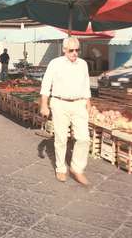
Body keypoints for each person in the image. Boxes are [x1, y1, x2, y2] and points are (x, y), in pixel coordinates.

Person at [40, 37, 91, 186]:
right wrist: (44, 104)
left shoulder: (83, 64)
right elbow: (46, 84)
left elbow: (86, 84)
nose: (75, 53)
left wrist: (88, 102)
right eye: (71, 50)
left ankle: (77, 168)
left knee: (84, 138)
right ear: (64, 50)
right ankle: (61, 167)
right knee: (61, 138)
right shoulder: (55, 64)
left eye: (77, 50)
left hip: (79, 103)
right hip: (59, 103)